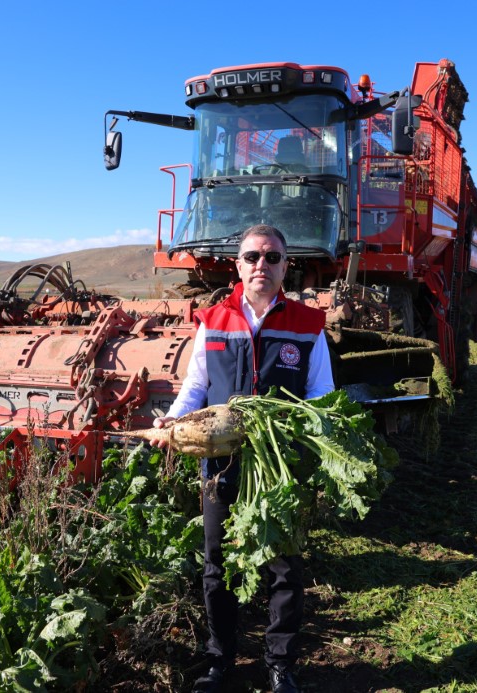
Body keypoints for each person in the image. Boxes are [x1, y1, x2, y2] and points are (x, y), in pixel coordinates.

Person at [150, 224, 333, 693]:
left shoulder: (308, 325)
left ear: (285, 266)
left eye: (272, 258)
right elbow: (195, 386)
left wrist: (302, 442)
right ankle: (220, 659)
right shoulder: (213, 319)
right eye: (252, 256)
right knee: (217, 564)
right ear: (237, 264)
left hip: (277, 467)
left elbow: (321, 396)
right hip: (221, 466)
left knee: (284, 565)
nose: (261, 265)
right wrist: (172, 422)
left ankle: (280, 663)